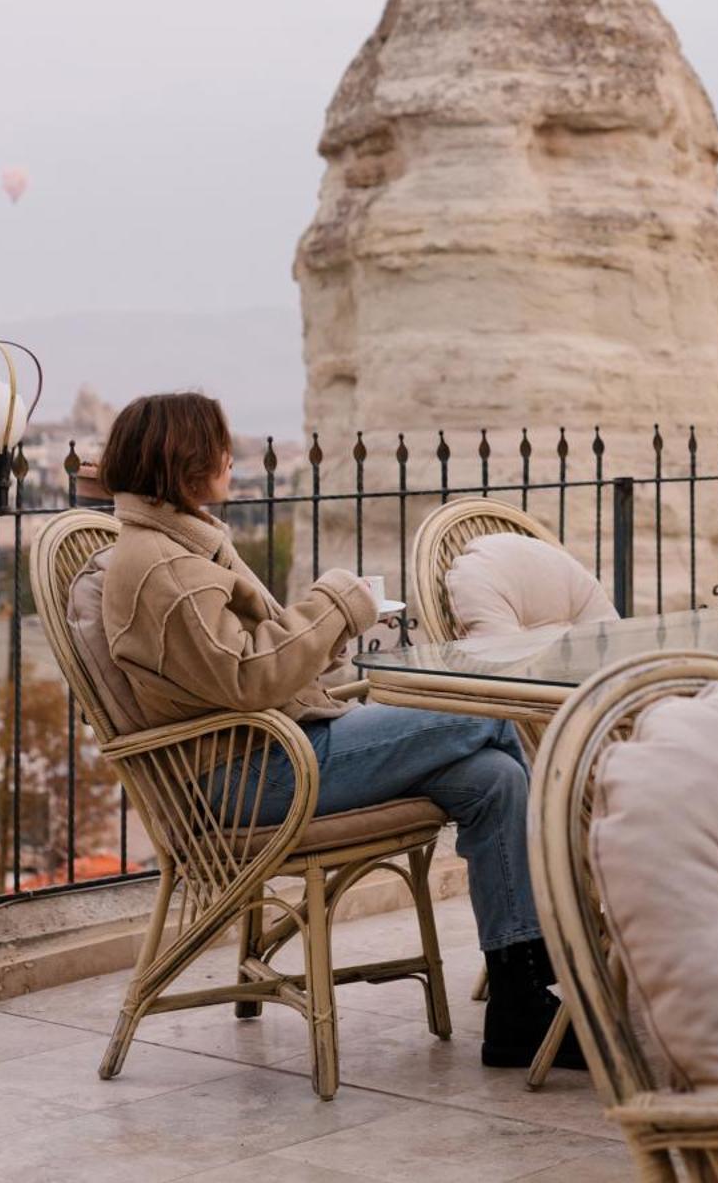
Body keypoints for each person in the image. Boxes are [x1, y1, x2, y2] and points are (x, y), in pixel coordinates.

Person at [98, 390, 583, 1072]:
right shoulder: (165, 568)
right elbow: (245, 678)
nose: (232, 458)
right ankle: (558, 955)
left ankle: (517, 1004)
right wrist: (337, 606)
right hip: (252, 777)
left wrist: (317, 632)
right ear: (184, 460)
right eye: (219, 447)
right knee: (489, 713)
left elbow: (240, 664)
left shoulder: (178, 548)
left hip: (275, 750)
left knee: (494, 778)